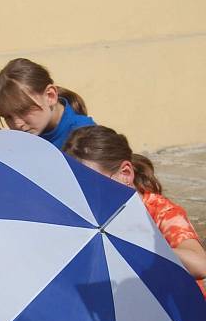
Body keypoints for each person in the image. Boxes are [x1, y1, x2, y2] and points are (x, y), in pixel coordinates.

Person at [63, 125, 206, 296]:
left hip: (178, 308)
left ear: (125, 173)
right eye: (78, 186)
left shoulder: (159, 211)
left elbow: (200, 265)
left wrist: (137, 244)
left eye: (93, 184)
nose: (86, 194)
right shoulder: (91, 214)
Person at [0, 58, 95, 149]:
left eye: (23, 110)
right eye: (8, 117)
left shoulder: (86, 140)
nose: (17, 124)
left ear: (50, 96)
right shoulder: (21, 143)